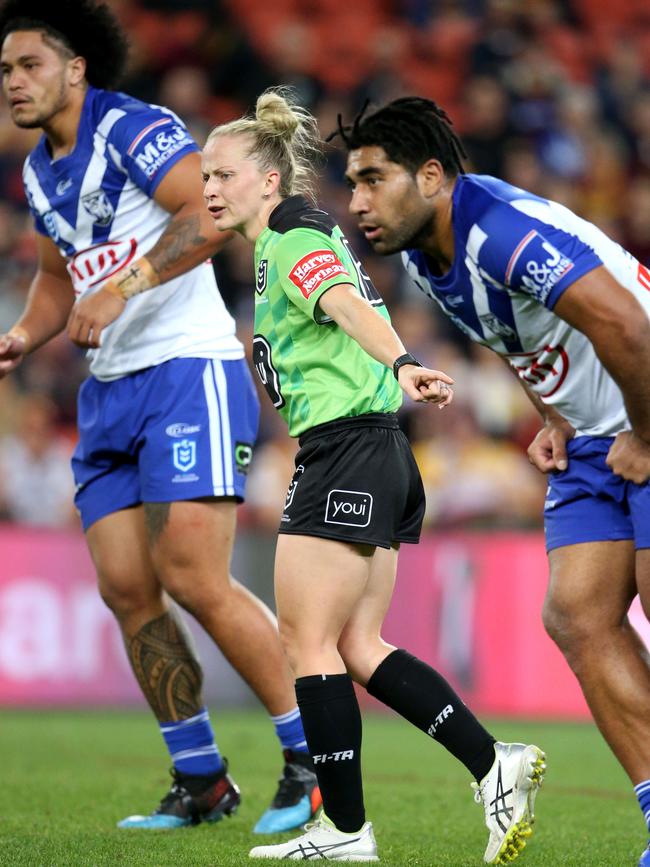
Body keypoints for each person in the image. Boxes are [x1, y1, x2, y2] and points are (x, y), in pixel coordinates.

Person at [201, 87, 545, 864]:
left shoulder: (291, 232)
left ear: (266, 178)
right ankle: (496, 765)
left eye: (223, 174)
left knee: (308, 641)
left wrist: (402, 361)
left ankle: (345, 829)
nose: (211, 190)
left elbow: (344, 302)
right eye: (205, 178)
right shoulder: (283, 242)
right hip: (371, 448)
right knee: (357, 643)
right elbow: (350, 301)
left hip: (348, 447)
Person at [0, 0, 321, 835]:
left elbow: (208, 215)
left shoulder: (134, 128)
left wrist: (125, 288)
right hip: (108, 389)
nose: (12, 82)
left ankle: (315, 754)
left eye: (28, 64)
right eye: (3, 71)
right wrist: (24, 335)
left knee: (193, 575)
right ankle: (201, 777)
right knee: (126, 588)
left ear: (75, 68)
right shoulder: (39, 171)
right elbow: (56, 276)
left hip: (188, 368)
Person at [337, 95, 650, 867]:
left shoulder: (502, 234)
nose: (356, 203)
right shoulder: (423, 256)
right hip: (594, 436)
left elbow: (627, 326)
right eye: (352, 183)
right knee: (577, 613)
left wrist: (647, 433)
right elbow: (513, 333)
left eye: (374, 180)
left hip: (646, 405)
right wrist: (552, 412)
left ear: (433, 177)